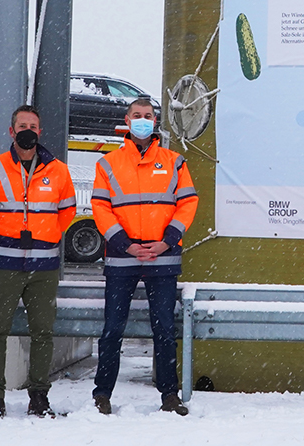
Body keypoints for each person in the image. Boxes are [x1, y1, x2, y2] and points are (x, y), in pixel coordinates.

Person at [91, 98, 198, 416]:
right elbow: (100, 207)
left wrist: (167, 241)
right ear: (127, 119)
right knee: (112, 329)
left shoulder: (174, 161)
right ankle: (102, 393)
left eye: (147, 116)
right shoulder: (108, 163)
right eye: (136, 116)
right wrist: (124, 243)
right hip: (123, 257)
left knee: (165, 329)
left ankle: (169, 394)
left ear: (155, 121)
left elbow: (188, 203)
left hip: (162, 257)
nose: (142, 120)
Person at [0, 105, 77, 417]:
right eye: (22, 125)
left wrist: (48, 234)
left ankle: (39, 396)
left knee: (43, 333)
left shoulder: (58, 170)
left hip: (45, 267)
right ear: (11, 131)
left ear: (39, 131)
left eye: (33, 125)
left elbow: (68, 211)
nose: (28, 129)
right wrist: (5, 233)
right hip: (4, 264)